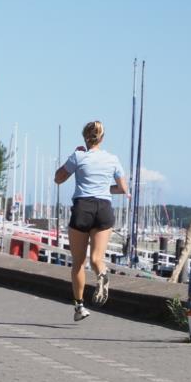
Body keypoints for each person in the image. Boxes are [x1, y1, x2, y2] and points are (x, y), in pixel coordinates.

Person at [54, 120, 128, 321]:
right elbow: (123, 189)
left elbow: (58, 178)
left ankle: (79, 307)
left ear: (84, 137)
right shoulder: (112, 159)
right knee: (97, 259)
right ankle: (102, 273)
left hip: (83, 208)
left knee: (78, 263)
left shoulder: (79, 156)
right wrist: (106, 189)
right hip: (104, 209)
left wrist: (73, 156)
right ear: (101, 138)